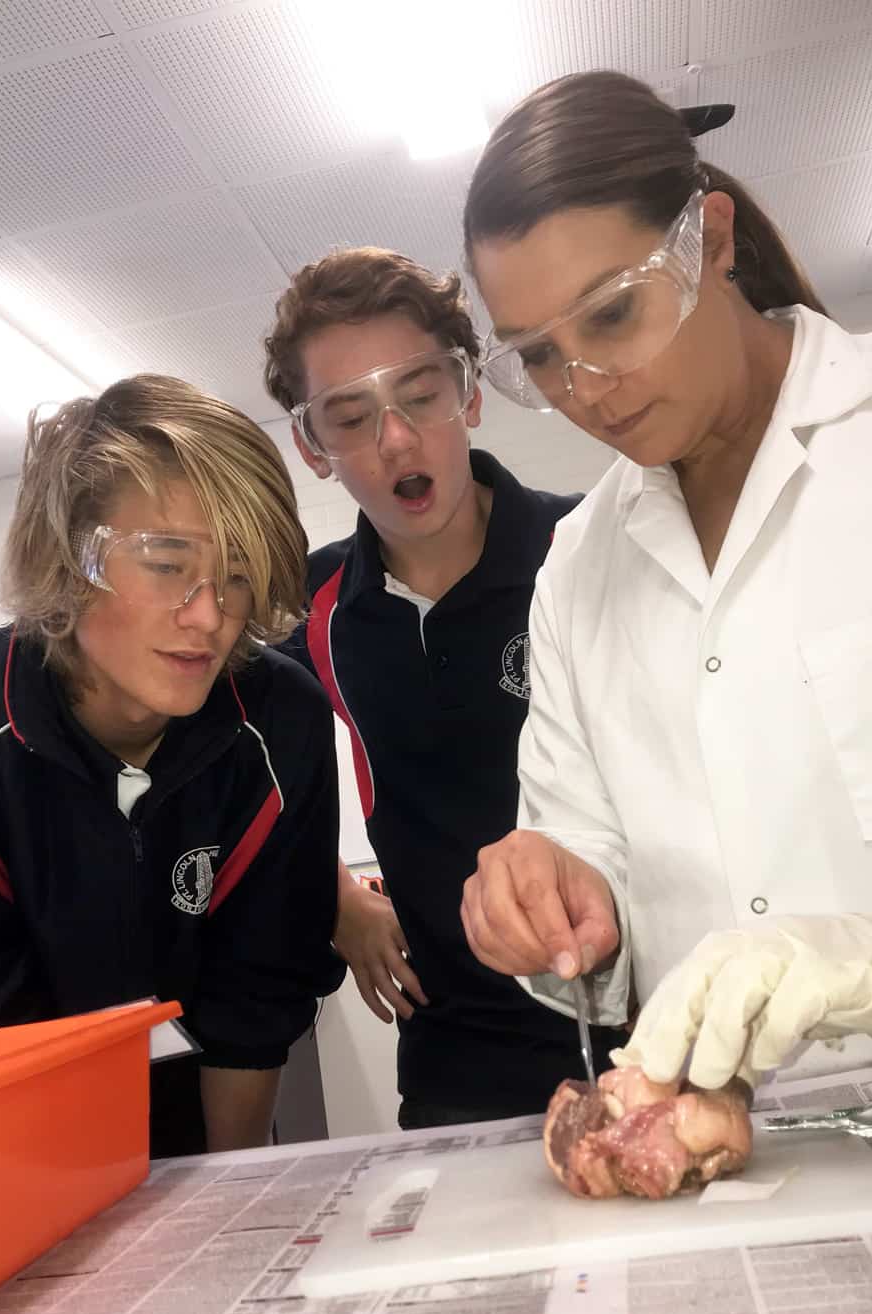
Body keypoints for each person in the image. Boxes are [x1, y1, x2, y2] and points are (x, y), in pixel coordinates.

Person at [458, 70, 872, 1091]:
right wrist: (558, 890)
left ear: (711, 240)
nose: (585, 389)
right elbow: (582, 837)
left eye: (611, 314)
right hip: (720, 1134)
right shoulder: (577, 564)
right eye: (538, 357)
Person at [263, 247, 625, 1128]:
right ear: (313, 448)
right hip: (454, 1050)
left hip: (640, 1020)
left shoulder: (592, 547)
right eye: (351, 417)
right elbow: (231, 761)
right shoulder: (312, 607)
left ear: (467, 394)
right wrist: (336, 895)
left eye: (420, 396)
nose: (394, 439)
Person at [0, 375, 345, 1157]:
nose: (209, 616)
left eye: (237, 574)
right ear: (69, 558)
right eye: (166, 564)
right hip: (1, 1146)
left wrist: (227, 1199)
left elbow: (255, 1000)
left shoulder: (279, 722)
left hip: (191, 1132)